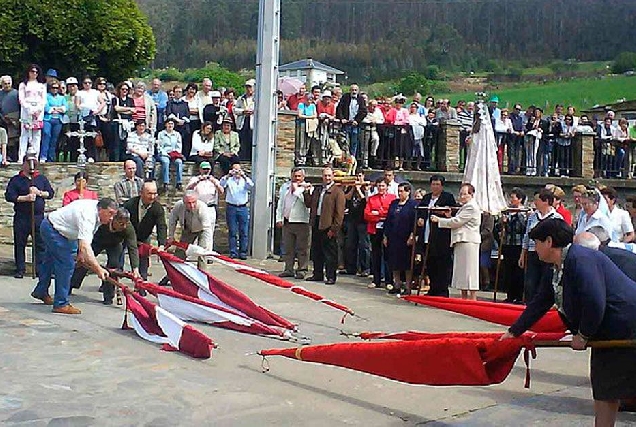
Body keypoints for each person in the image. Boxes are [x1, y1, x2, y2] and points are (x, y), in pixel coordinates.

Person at [501, 218, 636, 427]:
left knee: (610, 385)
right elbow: (540, 302)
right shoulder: (556, 267)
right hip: (610, 329)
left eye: (536, 243)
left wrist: (583, 334)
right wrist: (514, 332)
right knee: (604, 387)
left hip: (626, 326)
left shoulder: (581, 259)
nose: (534, 249)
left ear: (548, 241)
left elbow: (594, 300)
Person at [30, 198, 118, 314]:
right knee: (66, 264)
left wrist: (81, 254)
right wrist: (98, 269)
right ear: (101, 209)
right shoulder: (87, 215)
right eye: (110, 213)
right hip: (53, 229)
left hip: (65, 232)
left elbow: (85, 240)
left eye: (114, 215)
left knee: (50, 261)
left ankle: (41, 291)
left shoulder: (97, 212)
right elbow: (85, 246)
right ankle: (61, 303)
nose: (111, 218)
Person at [69, 208, 140, 304]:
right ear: (113, 219)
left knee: (114, 266)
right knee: (85, 261)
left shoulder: (128, 228)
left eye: (125, 223)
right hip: (97, 241)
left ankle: (108, 296)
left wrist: (135, 268)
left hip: (114, 244)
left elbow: (133, 247)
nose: (123, 226)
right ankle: (71, 284)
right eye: (120, 223)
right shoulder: (103, 222)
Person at [5, 156, 54, 278]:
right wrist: (25, 198)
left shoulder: (41, 179)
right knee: (20, 243)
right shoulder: (16, 180)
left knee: (40, 243)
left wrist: (39, 193)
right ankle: (20, 269)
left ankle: (39, 269)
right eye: (29, 162)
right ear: (24, 164)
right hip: (22, 216)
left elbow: (50, 193)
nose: (32, 165)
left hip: (38, 217)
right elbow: (9, 196)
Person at [431, 183, 482, 300]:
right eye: (461, 194)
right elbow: (457, 222)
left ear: (471, 194)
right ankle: (464, 297)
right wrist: (448, 218)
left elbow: (457, 222)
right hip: (461, 240)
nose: (462, 196)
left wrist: (439, 220)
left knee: (470, 270)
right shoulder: (465, 207)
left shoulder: (471, 207)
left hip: (468, 241)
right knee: (462, 270)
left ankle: (472, 298)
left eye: (465, 194)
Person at [416, 175, 457, 297]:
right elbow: (421, 212)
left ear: (442, 186)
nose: (435, 187)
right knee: (430, 263)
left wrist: (441, 212)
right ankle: (432, 288)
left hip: (441, 237)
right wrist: (420, 219)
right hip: (427, 234)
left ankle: (442, 290)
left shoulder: (447, 197)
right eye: (433, 184)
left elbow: (451, 212)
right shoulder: (427, 198)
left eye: (437, 184)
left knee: (442, 264)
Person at [519, 188, 563, 302]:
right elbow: (527, 236)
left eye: (537, 200)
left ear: (546, 201)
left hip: (549, 255)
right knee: (530, 284)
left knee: (546, 283)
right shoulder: (533, 217)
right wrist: (523, 253)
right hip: (533, 253)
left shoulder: (556, 218)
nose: (535, 203)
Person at [305, 166, 345, 285]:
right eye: (325, 175)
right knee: (317, 251)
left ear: (333, 176)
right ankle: (317, 274)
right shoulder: (318, 189)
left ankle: (331, 276)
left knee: (330, 253)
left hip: (328, 225)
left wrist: (334, 228)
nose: (327, 178)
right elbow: (310, 204)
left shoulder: (337, 192)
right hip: (317, 222)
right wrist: (307, 193)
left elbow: (339, 213)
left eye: (329, 175)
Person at [123, 181, 167, 280]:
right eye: (149, 193)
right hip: (125, 235)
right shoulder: (130, 204)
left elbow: (161, 226)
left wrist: (161, 245)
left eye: (154, 193)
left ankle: (142, 285)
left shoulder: (158, 208)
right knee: (117, 259)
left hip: (144, 236)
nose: (152, 197)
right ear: (141, 193)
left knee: (143, 260)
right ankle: (110, 285)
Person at [275, 167, 311, 279]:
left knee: (302, 248)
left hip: (301, 221)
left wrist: (297, 190)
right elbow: (281, 203)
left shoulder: (308, 187)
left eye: (299, 176)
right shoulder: (285, 187)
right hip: (288, 220)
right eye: (295, 176)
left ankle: (302, 269)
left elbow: (307, 203)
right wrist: (279, 218)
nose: (296, 178)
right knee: (288, 248)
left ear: (303, 177)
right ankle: (288, 269)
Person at [494, 188, 527, 303]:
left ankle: (519, 296)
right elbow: (498, 227)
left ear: (520, 199)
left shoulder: (524, 212)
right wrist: (502, 222)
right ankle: (510, 294)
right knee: (508, 271)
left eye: (513, 197)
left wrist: (516, 216)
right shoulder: (507, 211)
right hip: (508, 244)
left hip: (518, 244)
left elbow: (523, 227)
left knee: (518, 271)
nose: (511, 200)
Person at [383, 183, 418, 295]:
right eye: (399, 191)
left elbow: (414, 221)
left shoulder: (413, 205)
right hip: (393, 236)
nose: (400, 193)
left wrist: (412, 235)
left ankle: (407, 286)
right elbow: (388, 220)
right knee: (394, 262)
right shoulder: (394, 203)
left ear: (408, 192)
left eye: (402, 191)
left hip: (406, 237)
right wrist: (385, 235)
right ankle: (396, 284)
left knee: (406, 263)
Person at [364, 178, 396, 289]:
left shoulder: (392, 198)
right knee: (375, 254)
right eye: (379, 186)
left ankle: (389, 280)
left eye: (383, 186)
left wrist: (378, 213)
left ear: (387, 187)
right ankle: (376, 279)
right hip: (374, 228)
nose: (381, 188)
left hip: (387, 229)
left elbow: (391, 213)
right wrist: (379, 216)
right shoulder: (372, 199)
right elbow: (367, 214)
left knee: (387, 255)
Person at [219, 162, 254, 259]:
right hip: (231, 207)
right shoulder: (229, 180)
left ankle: (243, 252)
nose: (236, 172)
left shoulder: (245, 180)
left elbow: (251, 186)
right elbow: (221, 184)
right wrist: (228, 175)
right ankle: (233, 252)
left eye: (238, 169)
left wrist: (244, 175)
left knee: (244, 231)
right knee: (232, 231)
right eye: (235, 169)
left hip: (243, 207)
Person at [343, 169, 370, 277]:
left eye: (360, 176)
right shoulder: (350, 187)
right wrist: (353, 188)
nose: (358, 178)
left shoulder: (366, 188)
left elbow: (367, 201)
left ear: (363, 176)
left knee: (364, 245)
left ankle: (365, 268)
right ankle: (351, 268)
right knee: (350, 244)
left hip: (363, 220)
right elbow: (346, 198)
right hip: (352, 219)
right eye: (356, 176)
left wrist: (359, 190)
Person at [18, 64, 47, 161]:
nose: (34, 74)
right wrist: (29, 109)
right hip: (26, 110)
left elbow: (44, 100)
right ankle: (22, 156)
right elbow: (21, 99)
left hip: (38, 110)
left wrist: (38, 110)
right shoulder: (23, 84)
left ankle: (35, 157)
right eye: (32, 71)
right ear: (28, 72)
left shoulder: (41, 85)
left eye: (36, 72)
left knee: (37, 134)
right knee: (25, 133)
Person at [336, 84, 367, 158]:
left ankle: (352, 158)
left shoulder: (361, 99)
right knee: (344, 142)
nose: (354, 91)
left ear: (358, 91)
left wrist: (357, 121)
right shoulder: (345, 97)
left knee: (354, 143)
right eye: (352, 90)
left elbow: (364, 111)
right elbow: (339, 108)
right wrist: (342, 118)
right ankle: (345, 158)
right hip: (346, 124)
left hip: (355, 125)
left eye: (355, 90)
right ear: (350, 90)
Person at [41, 80, 67, 162]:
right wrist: (57, 108)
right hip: (48, 119)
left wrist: (56, 109)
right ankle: (43, 156)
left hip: (58, 120)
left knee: (54, 139)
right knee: (46, 135)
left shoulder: (62, 98)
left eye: (56, 88)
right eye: (53, 88)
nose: (55, 89)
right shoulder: (46, 96)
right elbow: (46, 108)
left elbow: (65, 108)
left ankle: (51, 158)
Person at [156, 117, 184, 193]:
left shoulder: (177, 134)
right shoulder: (161, 134)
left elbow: (179, 146)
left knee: (179, 162)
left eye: (172, 124)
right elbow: (159, 146)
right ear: (165, 124)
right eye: (169, 123)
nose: (170, 125)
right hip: (164, 153)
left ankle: (179, 182)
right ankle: (166, 183)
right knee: (165, 162)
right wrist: (166, 154)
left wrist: (175, 153)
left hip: (174, 154)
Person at [234, 79, 255, 161]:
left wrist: (252, 111)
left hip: (252, 122)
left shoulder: (257, 98)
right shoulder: (241, 98)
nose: (248, 89)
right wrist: (243, 111)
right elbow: (235, 110)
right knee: (242, 141)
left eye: (250, 87)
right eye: (247, 87)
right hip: (243, 122)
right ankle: (242, 158)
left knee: (251, 141)